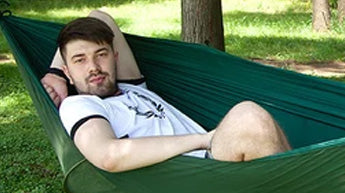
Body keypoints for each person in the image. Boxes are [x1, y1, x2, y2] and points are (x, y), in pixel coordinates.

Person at [40, 10, 290, 172]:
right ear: (69, 71)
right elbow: (109, 155)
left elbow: (100, 17)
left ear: (115, 57)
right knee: (249, 117)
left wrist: (56, 73)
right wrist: (205, 139)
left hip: (212, 155)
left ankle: (299, 188)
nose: (94, 67)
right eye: (80, 60)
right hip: (202, 170)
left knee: (264, 121)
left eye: (101, 55)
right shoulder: (81, 105)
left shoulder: (132, 88)